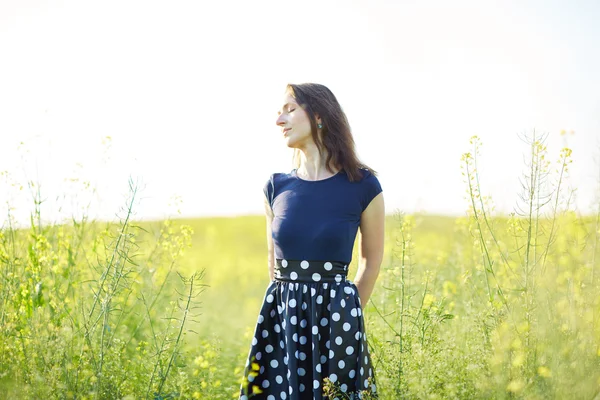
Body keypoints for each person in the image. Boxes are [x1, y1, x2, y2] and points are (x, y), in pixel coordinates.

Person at [239, 83, 385, 400]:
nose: (280, 120)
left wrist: (345, 315)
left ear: (319, 117)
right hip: (281, 324)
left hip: (339, 323)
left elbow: (370, 261)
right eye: (279, 113)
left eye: (290, 109)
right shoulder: (275, 186)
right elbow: (272, 263)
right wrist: (287, 318)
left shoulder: (363, 185)